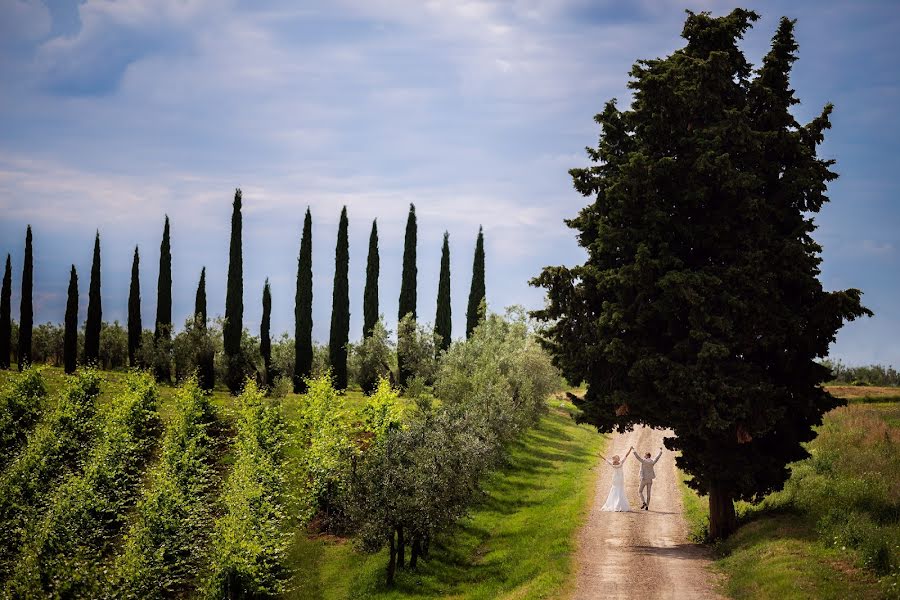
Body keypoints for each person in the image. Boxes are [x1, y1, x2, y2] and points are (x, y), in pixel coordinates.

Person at [600, 446, 633, 512]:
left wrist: (600, 455)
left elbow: (605, 459)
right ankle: (618, 504)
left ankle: (614, 503)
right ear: (617, 459)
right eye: (618, 457)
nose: (619, 458)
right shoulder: (621, 463)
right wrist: (630, 449)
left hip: (615, 478)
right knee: (620, 490)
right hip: (620, 478)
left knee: (615, 489)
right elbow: (626, 455)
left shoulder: (612, 464)